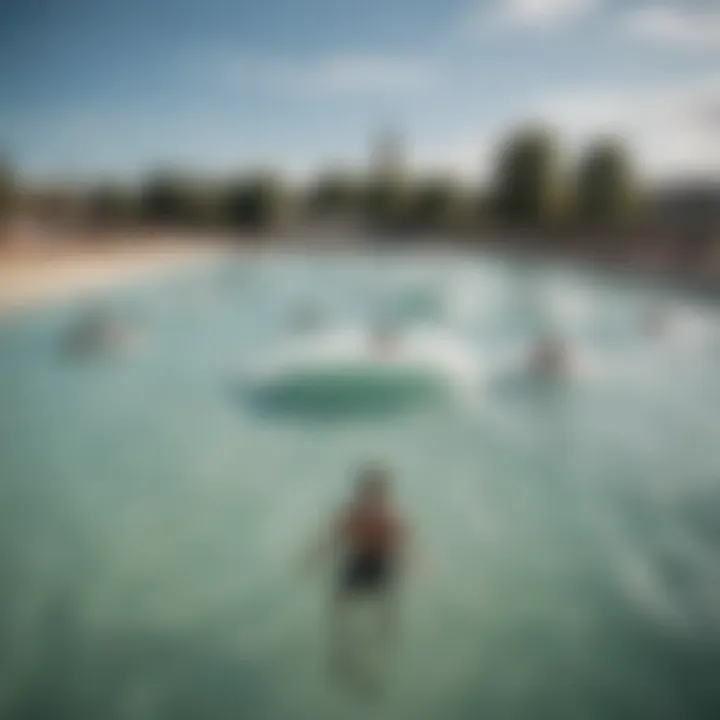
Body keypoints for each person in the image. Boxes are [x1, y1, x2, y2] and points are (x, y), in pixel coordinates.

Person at [306, 464, 408, 690]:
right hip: (360, 565)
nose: (372, 501)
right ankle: (345, 654)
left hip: (377, 566)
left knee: (382, 608)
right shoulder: (354, 515)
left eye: (375, 495)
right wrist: (310, 557)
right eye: (368, 494)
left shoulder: (387, 518)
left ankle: (381, 642)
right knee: (342, 609)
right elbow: (330, 539)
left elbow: (404, 544)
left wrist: (423, 564)